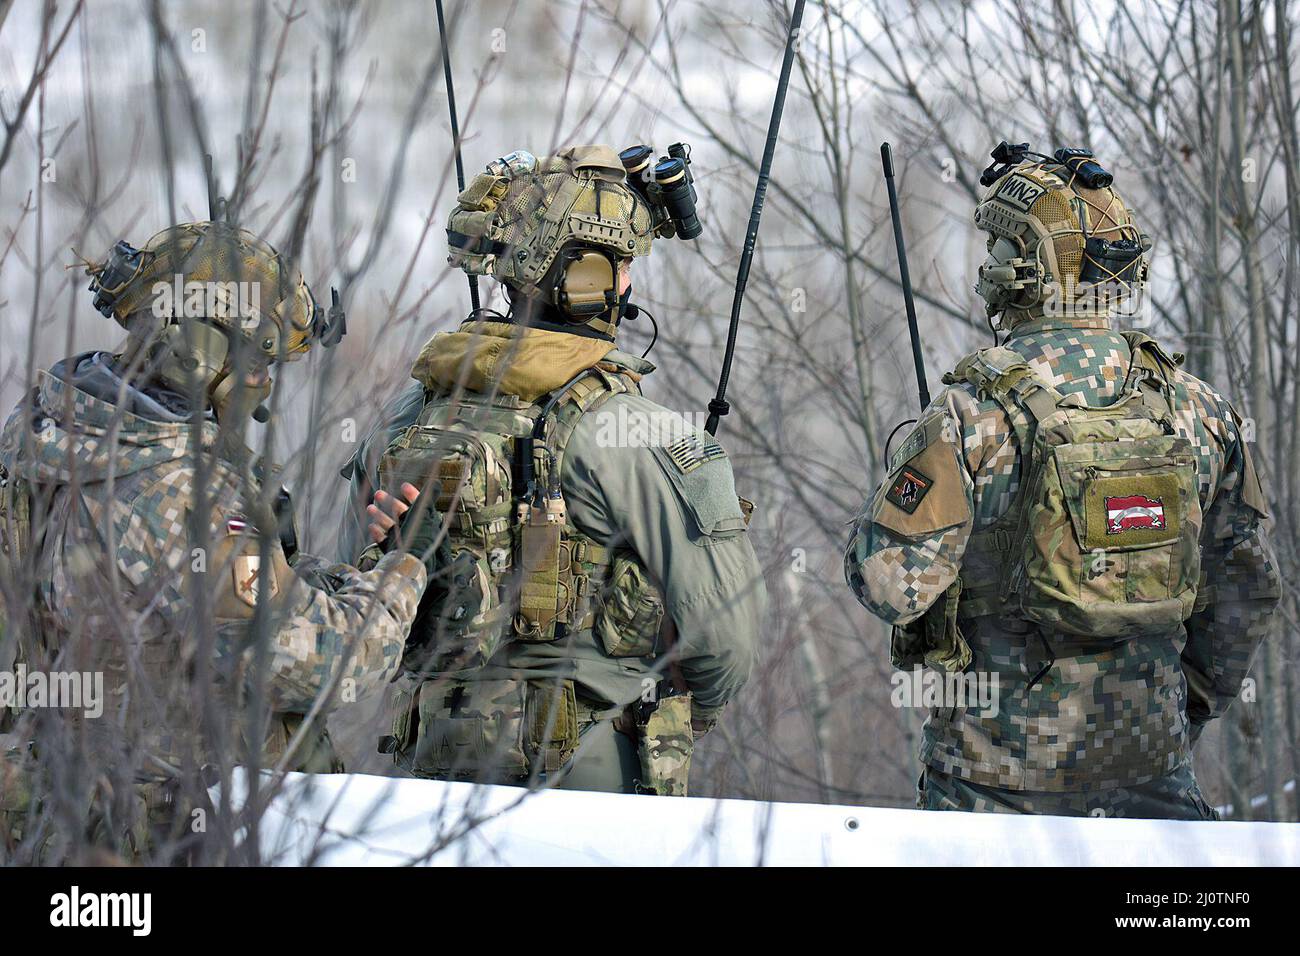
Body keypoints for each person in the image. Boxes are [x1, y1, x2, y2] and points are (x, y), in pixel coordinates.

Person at [844, 145, 1280, 818]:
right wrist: (1179, 714)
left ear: (1032, 265)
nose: (986, 264)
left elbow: (889, 585)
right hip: (1154, 784)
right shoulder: (1199, 408)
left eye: (997, 245)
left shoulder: (972, 415)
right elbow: (1247, 591)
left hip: (992, 792)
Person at [339, 144, 766, 795]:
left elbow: (354, 579)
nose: (627, 285)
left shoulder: (419, 407)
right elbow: (726, 642)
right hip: (588, 784)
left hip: (431, 773)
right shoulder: (645, 435)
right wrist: (682, 715)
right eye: (618, 265)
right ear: (585, 275)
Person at [0, 220, 430, 860]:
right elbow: (316, 665)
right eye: (258, 359)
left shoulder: (51, 437)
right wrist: (400, 573)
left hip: (60, 819)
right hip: (165, 835)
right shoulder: (180, 491)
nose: (263, 383)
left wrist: (335, 577)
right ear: (199, 351)